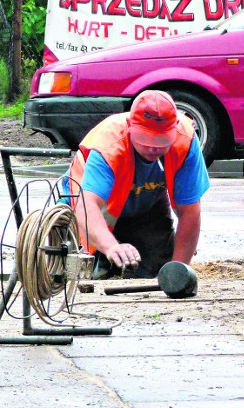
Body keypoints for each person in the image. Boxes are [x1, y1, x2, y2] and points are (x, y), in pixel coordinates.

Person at [65, 90, 210, 279]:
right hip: (96, 206)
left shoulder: (186, 141)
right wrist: (111, 247)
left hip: (147, 206)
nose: (153, 148)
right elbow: (86, 207)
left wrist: (178, 273)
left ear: (174, 130)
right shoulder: (109, 145)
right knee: (92, 274)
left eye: (161, 141)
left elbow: (190, 212)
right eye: (145, 139)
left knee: (156, 270)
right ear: (130, 127)